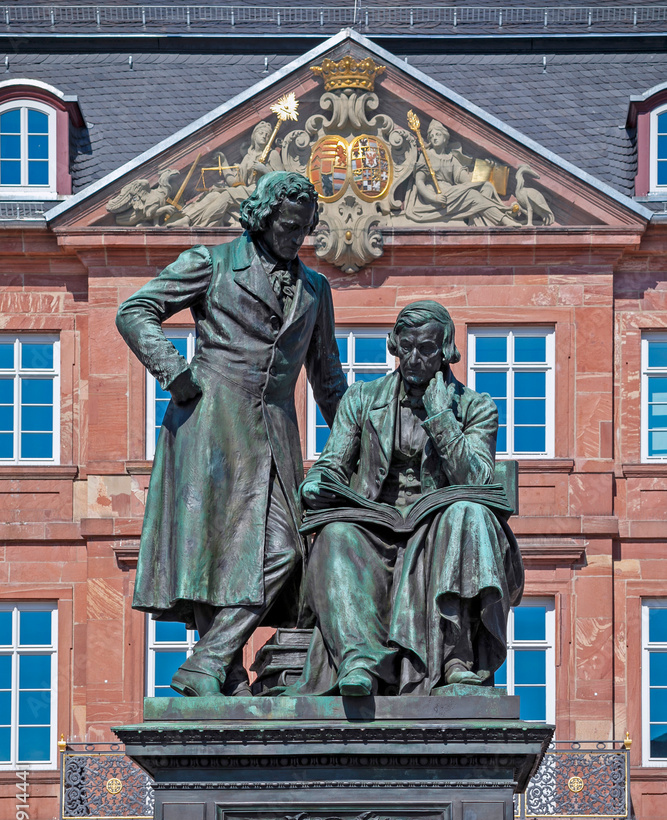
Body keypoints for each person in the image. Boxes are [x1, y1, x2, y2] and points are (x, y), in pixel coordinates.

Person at [116, 171, 348, 696]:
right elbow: (135, 310)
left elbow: (328, 378)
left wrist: (359, 443)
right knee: (213, 553)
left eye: (305, 229)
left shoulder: (315, 288)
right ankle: (226, 672)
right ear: (264, 220)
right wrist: (175, 373)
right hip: (210, 422)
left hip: (275, 432)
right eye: (289, 227)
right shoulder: (212, 263)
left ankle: (206, 661)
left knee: (284, 549)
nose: (297, 238)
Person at [297, 299, 524, 697]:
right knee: (334, 535)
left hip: (437, 532)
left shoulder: (475, 407)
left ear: (446, 350)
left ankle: (456, 657)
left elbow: (478, 478)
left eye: (427, 350)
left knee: (466, 512)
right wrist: (318, 483)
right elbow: (332, 463)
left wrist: (441, 420)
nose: (414, 359)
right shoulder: (362, 399)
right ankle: (358, 663)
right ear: (395, 345)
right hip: (373, 526)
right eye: (406, 348)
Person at [405, 120, 521, 228]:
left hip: (451, 192)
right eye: (432, 136)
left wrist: (487, 168)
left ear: (445, 138)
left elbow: (466, 180)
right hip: (436, 194)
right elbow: (419, 182)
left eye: (437, 134)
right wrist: (434, 197)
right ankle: (504, 219)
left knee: (486, 187)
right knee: (473, 196)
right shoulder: (427, 156)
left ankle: (480, 224)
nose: (434, 138)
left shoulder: (451, 159)